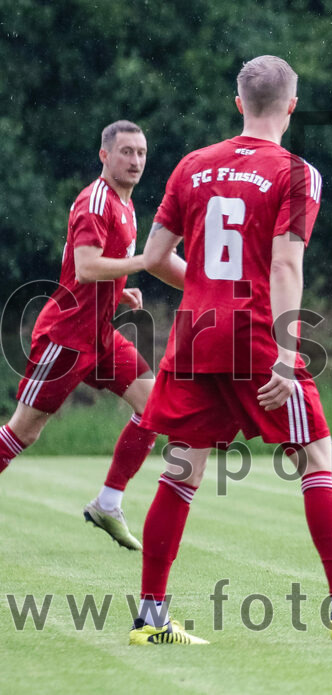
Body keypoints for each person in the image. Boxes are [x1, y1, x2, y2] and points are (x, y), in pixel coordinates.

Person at [130, 55, 332, 645]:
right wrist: (287, 357)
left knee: (181, 469)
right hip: (257, 337)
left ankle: (151, 616)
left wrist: (208, 288)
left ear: (239, 103)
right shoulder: (296, 172)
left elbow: (153, 257)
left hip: (194, 334)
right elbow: (286, 263)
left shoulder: (191, 166)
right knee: (317, 459)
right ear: (291, 104)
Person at [0, 120, 157, 551]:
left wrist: (118, 291)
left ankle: (108, 503)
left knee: (153, 405)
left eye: (141, 153)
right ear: (104, 155)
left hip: (99, 335)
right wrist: (143, 262)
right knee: (22, 434)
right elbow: (87, 267)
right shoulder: (96, 201)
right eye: (126, 152)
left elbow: (86, 268)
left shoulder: (126, 204)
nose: (135, 160)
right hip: (65, 338)